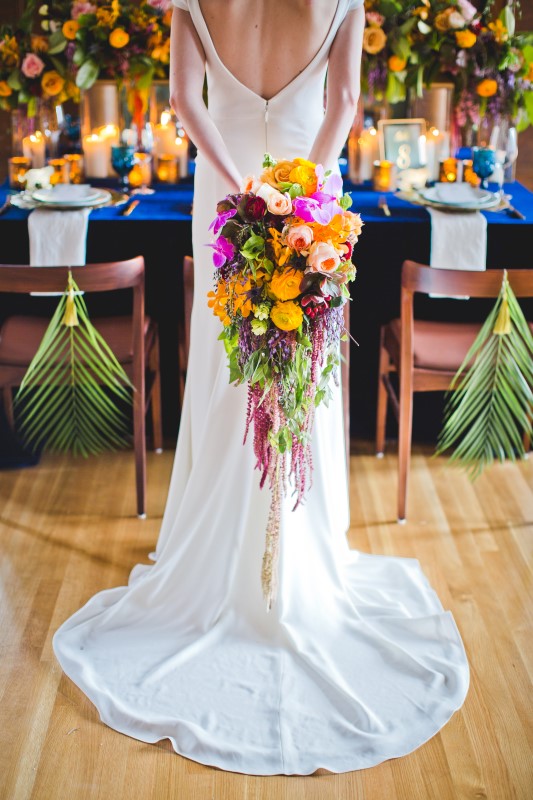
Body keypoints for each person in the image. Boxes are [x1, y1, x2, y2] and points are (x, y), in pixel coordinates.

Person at [53, 0, 469, 776]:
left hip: (224, 190)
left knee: (225, 365)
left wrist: (244, 191)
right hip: (310, 192)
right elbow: (343, 102)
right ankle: (293, 561)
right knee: (305, 371)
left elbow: (182, 101)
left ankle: (227, 555)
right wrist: (301, 194)